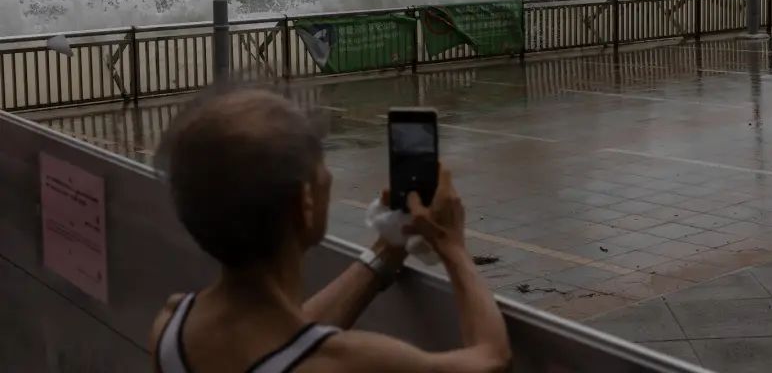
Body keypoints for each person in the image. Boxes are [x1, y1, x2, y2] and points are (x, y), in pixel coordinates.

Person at [149, 88, 511, 373]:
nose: (328, 176)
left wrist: (388, 249)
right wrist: (454, 248)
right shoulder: (347, 362)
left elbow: (280, 344)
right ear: (303, 205)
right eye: (320, 167)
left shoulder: (172, 327)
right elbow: (490, 360)